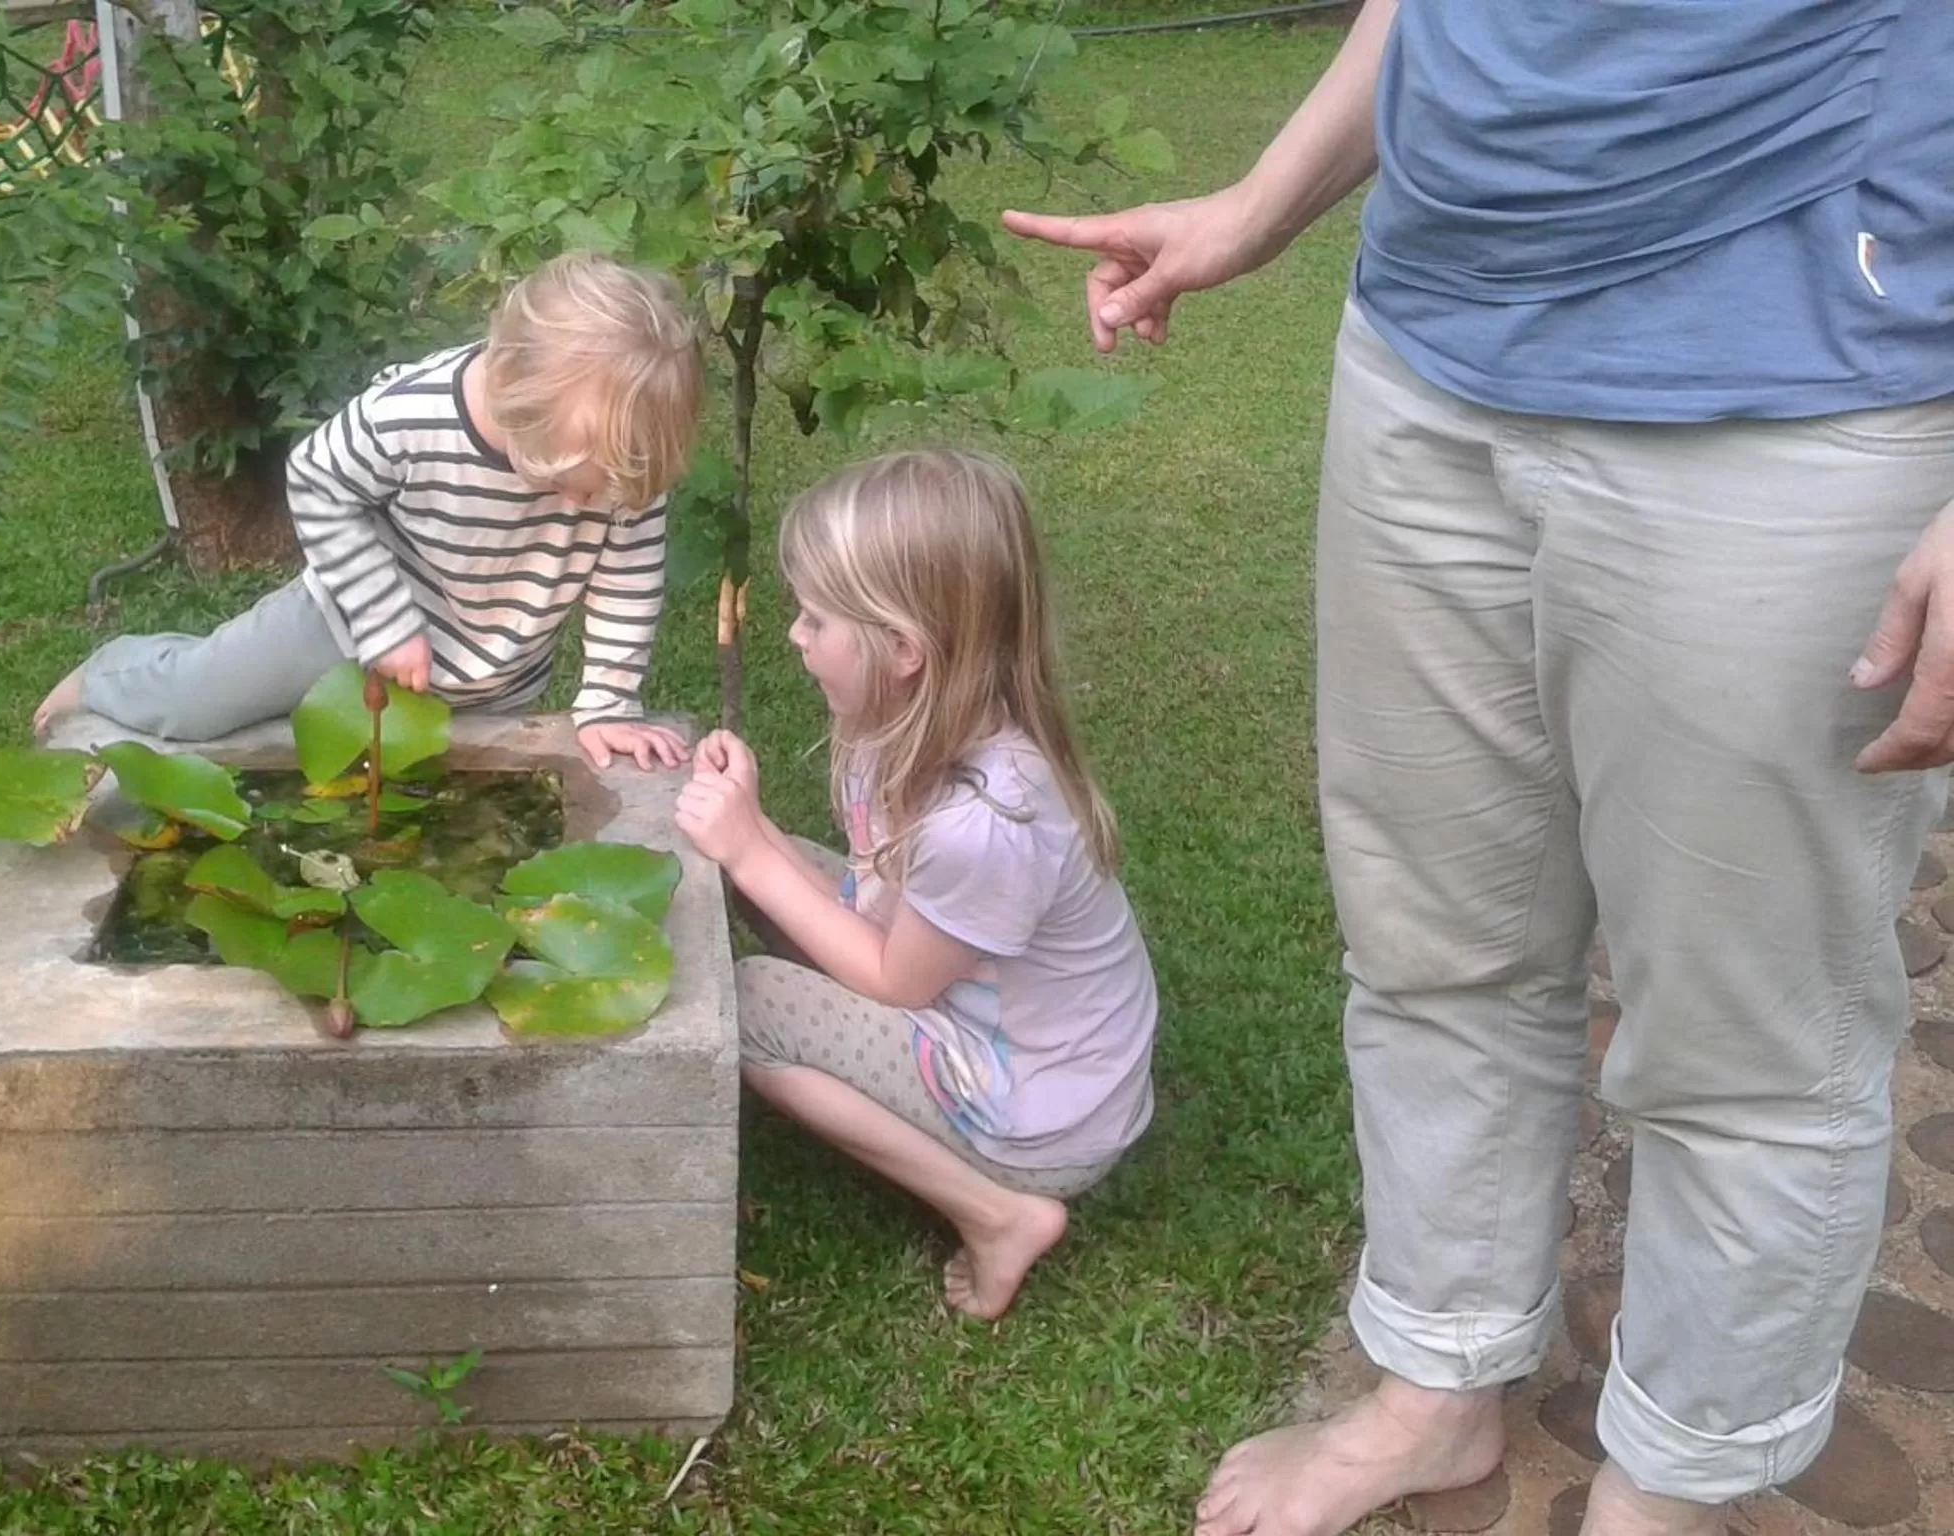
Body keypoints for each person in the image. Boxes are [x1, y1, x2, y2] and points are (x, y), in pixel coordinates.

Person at [1006, 3, 1954, 1532]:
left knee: (1746, 1039)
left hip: (1806, 380)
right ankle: (1438, 1386)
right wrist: (1263, 202)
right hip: (1431, 346)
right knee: (1433, 946)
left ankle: (1674, 1487)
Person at [674, 449, 1159, 1321]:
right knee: (754, 878)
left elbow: (897, 981)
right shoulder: (904, 720)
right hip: (972, 1004)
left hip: (1041, 1111)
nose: (795, 635)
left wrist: (752, 849)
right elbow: (877, 897)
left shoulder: (987, 823)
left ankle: (999, 1214)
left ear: (902, 649)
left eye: (816, 619)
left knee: (749, 1010)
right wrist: (750, 829)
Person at [34, 250, 702, 770]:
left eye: (598, 496)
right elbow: (317, 480)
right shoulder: (413, 414)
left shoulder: (624, 453)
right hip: (341, 621)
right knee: (199, 702)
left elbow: (627, 581)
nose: (583, 508)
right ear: (512, 398)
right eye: (567, 487)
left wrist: (609, 702)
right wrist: (385, 622)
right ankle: (108, 675)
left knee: (435, 794)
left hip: (495, 672)